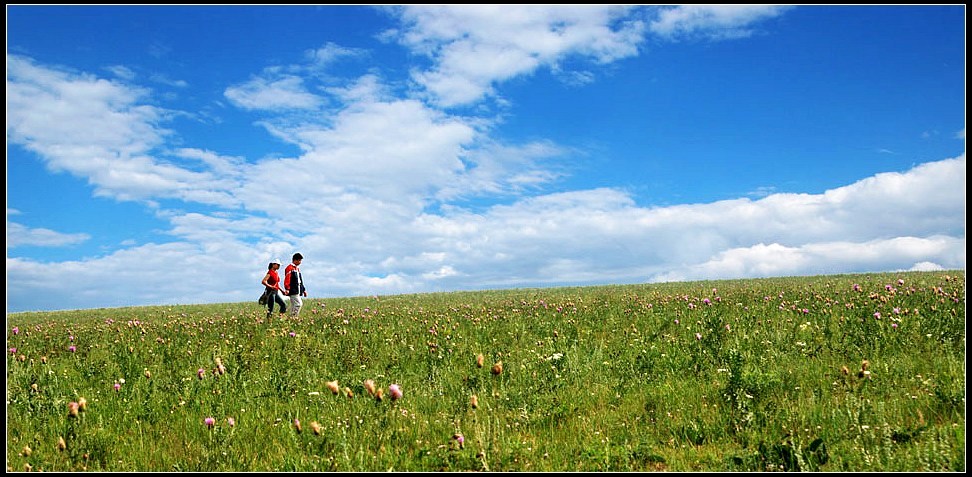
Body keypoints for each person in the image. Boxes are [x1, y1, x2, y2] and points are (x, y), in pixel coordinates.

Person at [284, 252, 307, 317]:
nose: (300, 262)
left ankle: (291, 318)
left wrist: (303, 290)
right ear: (295, 260)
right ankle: (293, 317)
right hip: (293, 290)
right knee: (298, 304)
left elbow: (300, 280)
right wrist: (287, 288)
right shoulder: (289, 268)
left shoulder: (297, 269)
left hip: (298, 289)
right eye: (299, 260)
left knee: (294, 305)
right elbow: (287, 278)